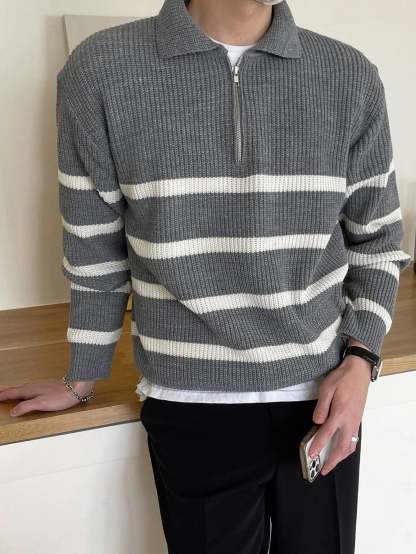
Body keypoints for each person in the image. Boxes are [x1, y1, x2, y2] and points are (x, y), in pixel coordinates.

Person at [0, 0, 411, 552]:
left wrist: (362, 359)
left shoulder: (349, 74)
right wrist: (83, 375)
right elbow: (94, 246)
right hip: (190, 403)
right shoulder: (100, 70)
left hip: (325, 398)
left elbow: (378, 242)